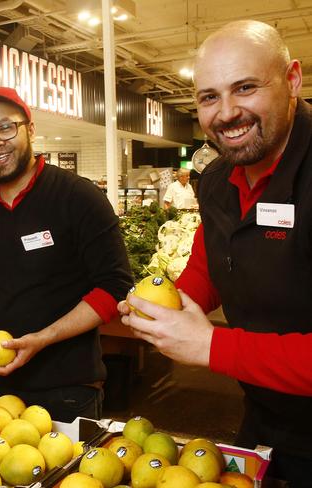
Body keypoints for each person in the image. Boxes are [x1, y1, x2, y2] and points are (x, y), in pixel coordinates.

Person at [119, 20, 312, 484]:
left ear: (292, 80)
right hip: (264, 415)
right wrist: (170, 304)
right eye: (209, 97)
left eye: (245, 88)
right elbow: (214, 259)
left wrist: (211, 346)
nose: (226, 113)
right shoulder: (220, 181)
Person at [0, 87, 133, 422]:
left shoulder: (78, 196)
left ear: (30, 129)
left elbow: (115, 287)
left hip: (67, 387)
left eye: (5, 128)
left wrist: (43, 339)